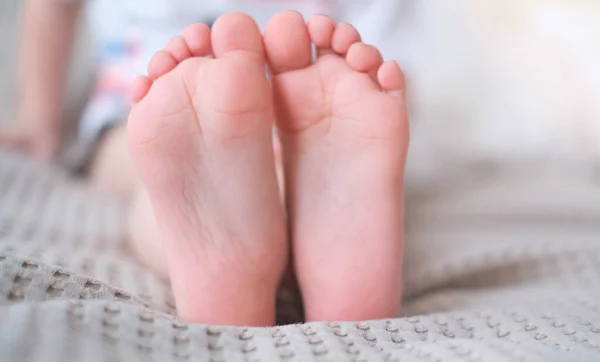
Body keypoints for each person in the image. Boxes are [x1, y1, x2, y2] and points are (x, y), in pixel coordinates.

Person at [0, 1, 407, 326]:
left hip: (143, 93)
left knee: (151, 178)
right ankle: (309, 216)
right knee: (170, 156)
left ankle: (225, 255)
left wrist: (39, 117)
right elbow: (383, 42)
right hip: (287, 89)